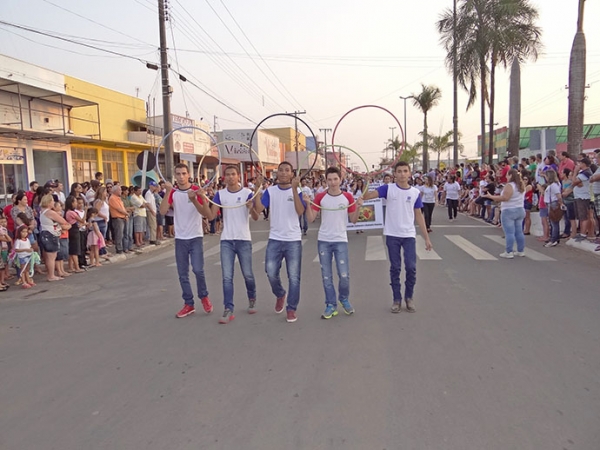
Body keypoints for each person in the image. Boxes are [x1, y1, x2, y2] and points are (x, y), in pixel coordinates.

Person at [363, 161, 432, 313]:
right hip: (392, 235)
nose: (402, 174)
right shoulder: (388, 189)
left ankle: (409, 297)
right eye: (399, 171)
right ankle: (396, 299)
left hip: (408, 236)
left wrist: (426, 238)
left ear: (409, 173)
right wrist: (366, 183)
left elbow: (419, 216)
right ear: (394, 174)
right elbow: (367, 196)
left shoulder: (414, 193)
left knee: (411, 267)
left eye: (405, 171)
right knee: (395, 268)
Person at [304, 166, 362, 319]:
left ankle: (344, 299)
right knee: (326, 276)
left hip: (340, 240)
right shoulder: (320, 197)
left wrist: (359, 207)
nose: (333, 182)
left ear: (340, 179)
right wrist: (307, 204)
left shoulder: (348, 197)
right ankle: (331, 304)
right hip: (324, 240)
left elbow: (354, 220)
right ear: (326, 180)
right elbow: (310, 219)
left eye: (335, 179)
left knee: (344, 275)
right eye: (329, 179)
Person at [159, 163, 214, 319]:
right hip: (180, 238)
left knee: (198, 269)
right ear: (175, 175)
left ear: (189, 174)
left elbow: (207, 215)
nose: (181, 176)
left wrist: (198, 198)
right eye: (178, 174)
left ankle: (204, 296)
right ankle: (188, 304)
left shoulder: (196, 190)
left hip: (195, 236)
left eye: (184, 173)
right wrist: (167, 191)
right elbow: (162, 211)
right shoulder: (173, 192)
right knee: (183, 274)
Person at [254, 161, 306, 323]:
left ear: (292, 174)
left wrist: (295, 189)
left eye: (287, 170)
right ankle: (280, 294)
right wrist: (257, 190)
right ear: (276, 173)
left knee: (294, 277)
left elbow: (300, 211)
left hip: (293, 239)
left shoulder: (298, 191)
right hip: (275, 238)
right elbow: (258, 209)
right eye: (280, 170)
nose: (283, 173)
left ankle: (291, 308)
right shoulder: (271, 191)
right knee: (270, 271)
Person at [209, 166, 261, 324]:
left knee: (248, 274)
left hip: (243, 239)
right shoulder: (220, 194)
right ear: (224, 178)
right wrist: (202, 201)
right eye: (228, 175)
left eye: (233, 174)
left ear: (239, 176)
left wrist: (251, 208)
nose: (231, 177)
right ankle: (228, 308)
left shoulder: (247, 193)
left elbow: (256, 216)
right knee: (227, 277)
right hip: (226, 240)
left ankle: (252, 297)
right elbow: (211, 215)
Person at [484, 169, 526, 258]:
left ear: (510, 175)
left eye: (507, 175)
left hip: (509, 210)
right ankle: (520, 250)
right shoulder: (521, 185)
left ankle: (509, 251)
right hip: (520, 209)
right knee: (519, 232)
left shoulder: (510, 185)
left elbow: (505, 197)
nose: (506, 177)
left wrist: (491, 197)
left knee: (509, 232)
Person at [38, 194, 71, 281]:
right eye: (52, 201)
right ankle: (51, 275)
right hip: (50, 234)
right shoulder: (50, 212)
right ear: (48, 202)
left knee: (49, 256)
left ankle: (50, 274)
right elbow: (63, 221)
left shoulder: (42, 211)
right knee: (52, 256)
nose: (53, 202)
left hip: (45, 233)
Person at [541, 169, 564, 248]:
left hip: (553, 204)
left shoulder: (553, 185)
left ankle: (553, 239)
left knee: (553, 222)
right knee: (554, 222)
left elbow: (558, 195)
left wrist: (560, 203)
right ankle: (555, 238)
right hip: (551, 203)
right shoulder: (555, 184)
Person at [64, 195, 84, 273]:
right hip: (74, 231)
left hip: (73, 229)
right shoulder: (71, 212)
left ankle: (71, 266)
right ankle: (76, 267)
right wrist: (85, 211)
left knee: (72, 249)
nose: (76, 203)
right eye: (75, 202)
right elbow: (82, 220)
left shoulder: (68, 212)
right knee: (75, 249)